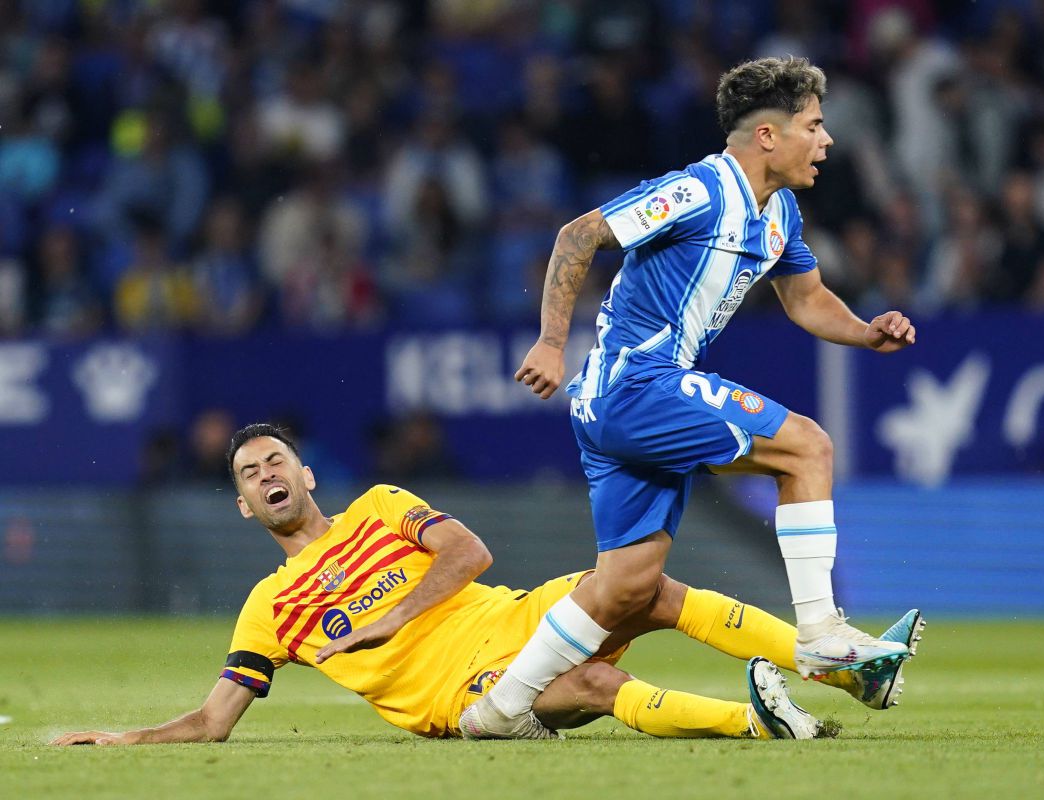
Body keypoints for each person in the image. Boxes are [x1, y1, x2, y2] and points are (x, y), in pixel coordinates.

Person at [462, 57, 920, 739]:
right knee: (807, 446)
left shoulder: (780, 212)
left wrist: (864, 332)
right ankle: (822, 631)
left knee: (626, 585)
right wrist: (551, 341)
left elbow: (806, 298)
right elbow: (578, 234)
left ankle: (497, 710)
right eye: (814, 126)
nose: (827, 142)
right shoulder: (699, 191)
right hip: (635, 381)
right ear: (767, 134)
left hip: (618, 400)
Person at [51, 423, 922, 747]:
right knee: (590, 681)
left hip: (512, 616)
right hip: (467, 695)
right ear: (244, 506)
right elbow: (213, 722)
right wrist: (125, 740)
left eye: (277, 459)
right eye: (249, 473)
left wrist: (383, 620)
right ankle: (760, 722)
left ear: (307, 473)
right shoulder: (267, 611)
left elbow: (469, 554)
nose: (266, 474)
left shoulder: (386, 507)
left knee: (643, 584)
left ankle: (840, 666)